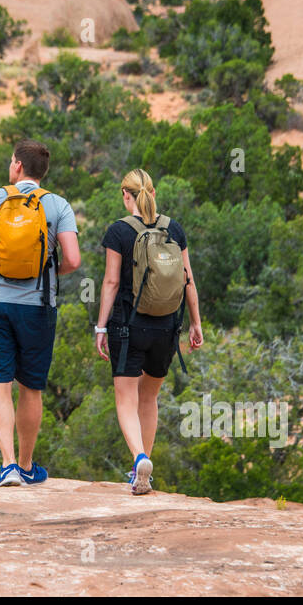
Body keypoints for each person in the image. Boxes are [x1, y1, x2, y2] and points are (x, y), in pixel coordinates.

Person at [0, 140, 80, 486]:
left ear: (16, 166)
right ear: (43, 172)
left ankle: (8, 464)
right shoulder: (58, 205)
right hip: (39, 305)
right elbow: (73, 259)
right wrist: (45, 270)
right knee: (31, 387)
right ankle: (27, 466)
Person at [94, 169, 203, 495]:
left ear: (126, 196)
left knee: (125, 399)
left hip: (128, 327)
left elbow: (111, 282)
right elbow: (188, 281)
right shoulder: (175, 229)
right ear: (152, 192)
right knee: (149, 397)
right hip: (167, 327)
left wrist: (101, 326)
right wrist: (196, 324)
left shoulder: (119, 232)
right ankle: (145, 472)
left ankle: (139, 458)